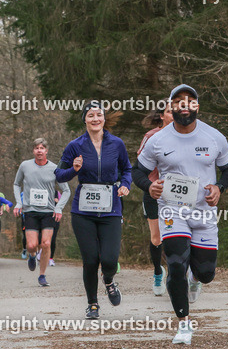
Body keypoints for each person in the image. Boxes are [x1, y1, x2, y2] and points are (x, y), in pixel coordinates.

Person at [133, 84, 228, 344]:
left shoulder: (214, 137)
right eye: (178, 101)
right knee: (176, 264)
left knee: (206, 273)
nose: (184, 105)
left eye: (190, 101)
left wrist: (219, 187)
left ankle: (196, 278)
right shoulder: (158, 140)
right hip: (172, 210)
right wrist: (150, 186)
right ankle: (184, 324)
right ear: (171, 106)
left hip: (203, 212)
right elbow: (137, 171)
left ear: (197, 107)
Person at [56, 102, 132, 318]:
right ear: (85, 120)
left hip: (111, 209)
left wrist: (125, 184)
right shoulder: (75, 146)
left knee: (109, 259)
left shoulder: (116, 144)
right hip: (83, 212)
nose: (95, 119)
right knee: (90, 260)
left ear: (104, 119)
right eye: (91, 115)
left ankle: (108, 280)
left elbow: (127, 169)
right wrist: (74, 169)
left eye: (99, 115)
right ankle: (93, 304)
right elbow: (59, 174)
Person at [14, 138, 71, 286]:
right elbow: (16, 184)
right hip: (30, 210)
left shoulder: (55, 168)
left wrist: (59, 208)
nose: (39, 150)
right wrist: (19, 203)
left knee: (46, 244)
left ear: (46, 151)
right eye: (36, 148)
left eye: (42, 148)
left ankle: (42, 275)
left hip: (48, 211)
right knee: (32, 245)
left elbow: (66, 190)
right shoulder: (25, 166)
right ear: (33, 151)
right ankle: (32, 256)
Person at [138, 108, 174, 296]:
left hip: (178, 195)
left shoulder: (187, 135)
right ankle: (158, 272)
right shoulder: (151, 136)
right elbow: (140, 163)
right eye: (169, 111)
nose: (173, 114)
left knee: (180, 236)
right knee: (156, 238)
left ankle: (180, 274)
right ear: (162, 116)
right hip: (155, 191)